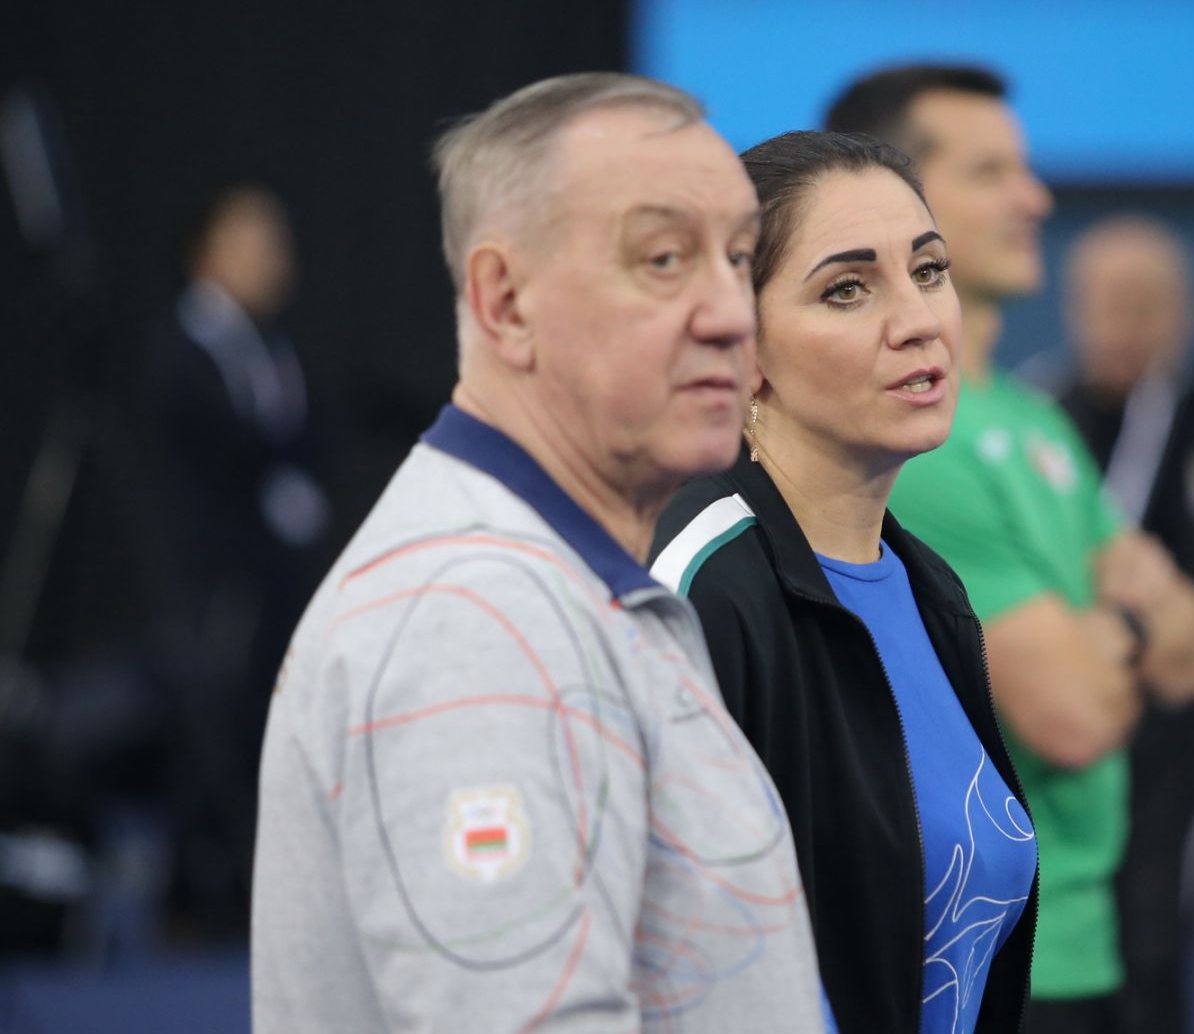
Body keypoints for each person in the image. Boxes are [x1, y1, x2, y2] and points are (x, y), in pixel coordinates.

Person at [251, 74, 825, 1031]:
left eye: (738, 258)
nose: (732, 313)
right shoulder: (472, 616)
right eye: (663, 259)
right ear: (505, 301)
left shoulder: (539, 581)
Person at [827, 65, 1194, 1034]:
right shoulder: (924, 449)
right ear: (901, 200)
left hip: (1088, 938)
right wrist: (1132, 611)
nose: (1034, 198)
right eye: (993, 172)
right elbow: (1076, 716)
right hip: (993, 964)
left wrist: (1104, 634)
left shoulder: (1031, 422)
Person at [651, 131, 1037, 1033]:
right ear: (740, 348)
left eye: (929, 270)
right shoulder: (695, 594)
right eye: (848, 289)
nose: (918, 319)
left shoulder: (927, 586)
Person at [1038, 216, 1194, 1034]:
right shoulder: (1032, 410)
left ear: (1184, 309)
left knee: (1162, 927)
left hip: (1191, 729)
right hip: (1063, 721)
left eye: (1144, 300)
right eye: (1104, 300)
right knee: (1068, 925)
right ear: (1072, 305)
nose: (1123, 321)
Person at [142, 182, 331, 937]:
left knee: (272, 721)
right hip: (215, 579)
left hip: (278, 574)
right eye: (255, 237)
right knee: (212, 722)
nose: (274, 255)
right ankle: (195, 896)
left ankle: (262, 884)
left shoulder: (276, 344)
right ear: (209, 249)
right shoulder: (180, 352)